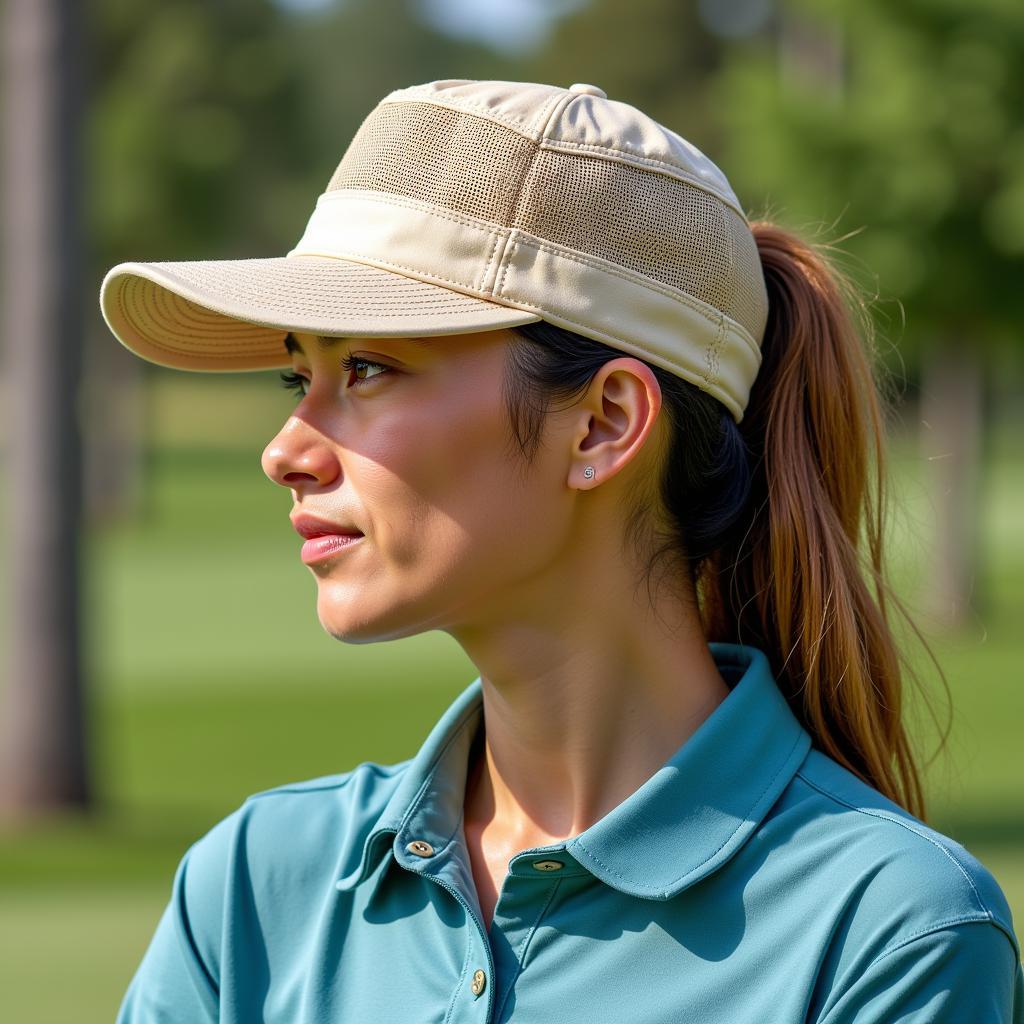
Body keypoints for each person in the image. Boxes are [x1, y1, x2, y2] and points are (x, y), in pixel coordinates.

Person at [99, 79, 1022, 1022]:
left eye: (368, 367)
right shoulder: (252, 890)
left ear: (603, 425)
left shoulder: (887, 932)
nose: (285, 450)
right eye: (300, 375)